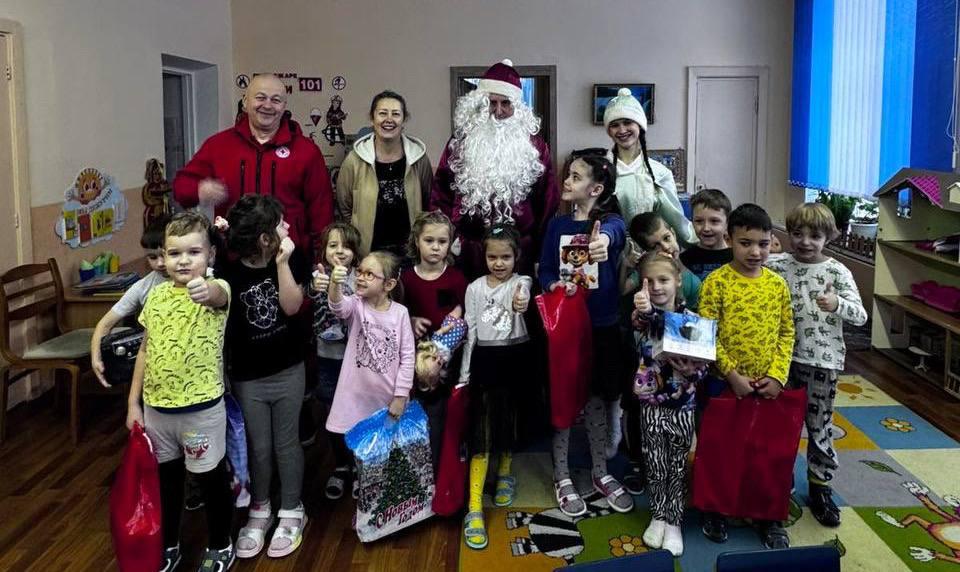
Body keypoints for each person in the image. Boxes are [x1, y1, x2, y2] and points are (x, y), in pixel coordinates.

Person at [125, 212, 235, 571]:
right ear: (163, 257)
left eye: (193, 252)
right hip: (158, 410)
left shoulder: (217, 290)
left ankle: (220, 543)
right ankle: (168, 543)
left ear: (210, 256)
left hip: (201, 408)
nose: (183, 260)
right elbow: (145, 349)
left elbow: (217, 296)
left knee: (209, 479)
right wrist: (133, 403)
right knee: (166, 483)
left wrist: (207, 289)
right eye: (174, 253)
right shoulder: (155, 298)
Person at [538, 154, 633, 517]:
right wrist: (553, 283)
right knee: (563, 398)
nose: (567, 181)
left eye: (575, 177)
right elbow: (546, 267)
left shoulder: (609, 223)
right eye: (567, 175)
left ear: (595, 188)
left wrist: (603, 242)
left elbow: (615, 235)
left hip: (602, 325)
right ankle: (561, 476)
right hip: (566, 327)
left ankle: (600, 472)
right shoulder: (556, 225)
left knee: (596, 398)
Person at [697, 203, 795, 549]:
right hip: (726, 384)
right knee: (721, 451)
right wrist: (731, 374)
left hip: (768, 385)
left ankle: (768, 517)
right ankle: (716, 510)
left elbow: (786, 332)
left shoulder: (777, 286)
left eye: (764, 244)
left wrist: (778, 376)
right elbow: (706, 334)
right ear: (729, 240)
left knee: (766, 454)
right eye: (746, 243)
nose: (755, 251)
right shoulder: (716, 283)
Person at [766, 203, 867, 528]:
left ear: (829, 237)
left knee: (819, 425)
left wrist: (837, 304)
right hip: (781, 360)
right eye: (797, 234)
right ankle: (782, 482)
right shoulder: (777, 264)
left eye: (815, 236)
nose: (805, 242)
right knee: (783, 426)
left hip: (822, 361)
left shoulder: (837, 272)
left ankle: (821, 487)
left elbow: (861, 315)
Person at [219, 196, 309, 559]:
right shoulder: (229, 272)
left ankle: (292, 508)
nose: (287, 228)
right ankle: (260, 508)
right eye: (281, 225)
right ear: (264, 239)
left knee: (287, 443)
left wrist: (283, 261)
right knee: (257, 445)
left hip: (288, 369)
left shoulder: (291, 258)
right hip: (247, 376)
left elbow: (291, 306)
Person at [173, 73, 334, 259]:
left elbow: (321, 209)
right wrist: (199, 189)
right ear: (245, 101)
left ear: (284, 107)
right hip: (233, 256)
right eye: (260, 98)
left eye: (276, 100)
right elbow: (180, 188)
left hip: (289, 256)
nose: (267, 105)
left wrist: (319, 257)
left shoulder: (306, 150)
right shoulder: (218, 145)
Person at [431, 59, 559, 279]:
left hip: (518, 252)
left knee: (516, 309)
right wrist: (446, 239)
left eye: (506, 103)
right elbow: (441, 193)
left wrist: (540, 250)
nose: (498, 111)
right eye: (492, 103)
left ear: (517, 107)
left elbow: (547, 201)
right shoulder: (461, 143)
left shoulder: (535, 146)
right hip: (470, 251)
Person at [459, 224, 532, 550]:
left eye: (506, 257)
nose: (499, 263)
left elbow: (525, 294)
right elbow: (471, 331)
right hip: (485, 364)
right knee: (482, 433)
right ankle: (474, 506)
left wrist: (522, 298)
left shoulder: (521, 282)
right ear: (483, 256)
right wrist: (464, 374)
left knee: (510, 422)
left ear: (516, 257)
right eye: (492, 256)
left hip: (516, 360)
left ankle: (504, 473)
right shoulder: (474, 288)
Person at [630, 251, 708, 557]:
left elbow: (704, 364)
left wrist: (694, 370)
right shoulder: (641, 317)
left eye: (663, 280)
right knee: (654, 460)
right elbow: (646, 321)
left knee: (676, 463)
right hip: (650, 402)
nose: (657, 287)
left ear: (678, 280)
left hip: (683, 406)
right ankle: (658, 514)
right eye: (649, 281)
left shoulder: (694, 321)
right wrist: (645, 309)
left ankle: (674, 520)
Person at [324, 251, 416, 506]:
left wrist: (400, 396)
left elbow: (408, 356)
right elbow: (338, 306)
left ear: (388, 285)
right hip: (356, 397)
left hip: (386, 399)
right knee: (360, 448)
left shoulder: (400, 314)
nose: (361, 278)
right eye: (360, 272)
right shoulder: (356, 304)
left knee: (385, 451)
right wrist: (335, 282)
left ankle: (382, 497)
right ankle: (365, 491)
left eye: (369, 274)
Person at [400, 211, 468, 467]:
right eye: (429, 240)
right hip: (413, 364)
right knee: (416, 414)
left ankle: (441, 470)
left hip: (447, 363)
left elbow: (465, 314)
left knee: (441, 416)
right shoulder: (405, 278)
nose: (436, 247)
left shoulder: (456, 278)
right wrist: (411, 320)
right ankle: (416, 469)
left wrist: (456, 324)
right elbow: (394, 313)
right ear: (417, 240)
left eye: (442, 241)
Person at [336, 90, 434, 258]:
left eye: (396, 114)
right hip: (369, 254)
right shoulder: (354, 160)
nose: (389, 119)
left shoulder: (419, 159)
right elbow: (345, 207)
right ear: (372, 119)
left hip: (410, 254)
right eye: (382, 113)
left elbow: (427, 202)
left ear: (404, 120)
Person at [308, 222, 361, 500]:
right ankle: (341, 465)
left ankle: (359, 466)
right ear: (324, 250)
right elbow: (311, 302)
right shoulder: (318, 276)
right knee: (331, 410)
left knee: (358, 411)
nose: (340, 252)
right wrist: (317, 286)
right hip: (327, 358)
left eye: (346, 246)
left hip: (356, 359)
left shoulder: (361, 278)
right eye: (333, 245)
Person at [604, 88, 694, 246]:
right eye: (615, 125)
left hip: (651, 253)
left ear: (639, 125)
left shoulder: (659, 173)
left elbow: (675, 220)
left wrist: (700, 243)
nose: (622, 130)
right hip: (608, 251)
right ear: (609, 131)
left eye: (627, 122)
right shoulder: (600, 170)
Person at [91, 215, 169, 387]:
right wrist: (96, 358)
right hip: (157, 369)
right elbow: (104, 324)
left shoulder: (201, 278)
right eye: (152, 257)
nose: (160, 263)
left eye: (165, 255)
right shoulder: (143, 287)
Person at [626, 212, 702, 311]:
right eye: (655, 246)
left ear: (673, 233)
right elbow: (624, 289)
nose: (666, 247)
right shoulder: (646, 271)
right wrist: (626, 264)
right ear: (647, 252)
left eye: (666, 238)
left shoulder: (692, 281)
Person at [680, 189, 733, 282]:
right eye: (699, 221)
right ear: (692, 222)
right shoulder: (684, 260)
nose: (706, 228)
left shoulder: (737, 258)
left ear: (727, 223)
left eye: (714, 221)